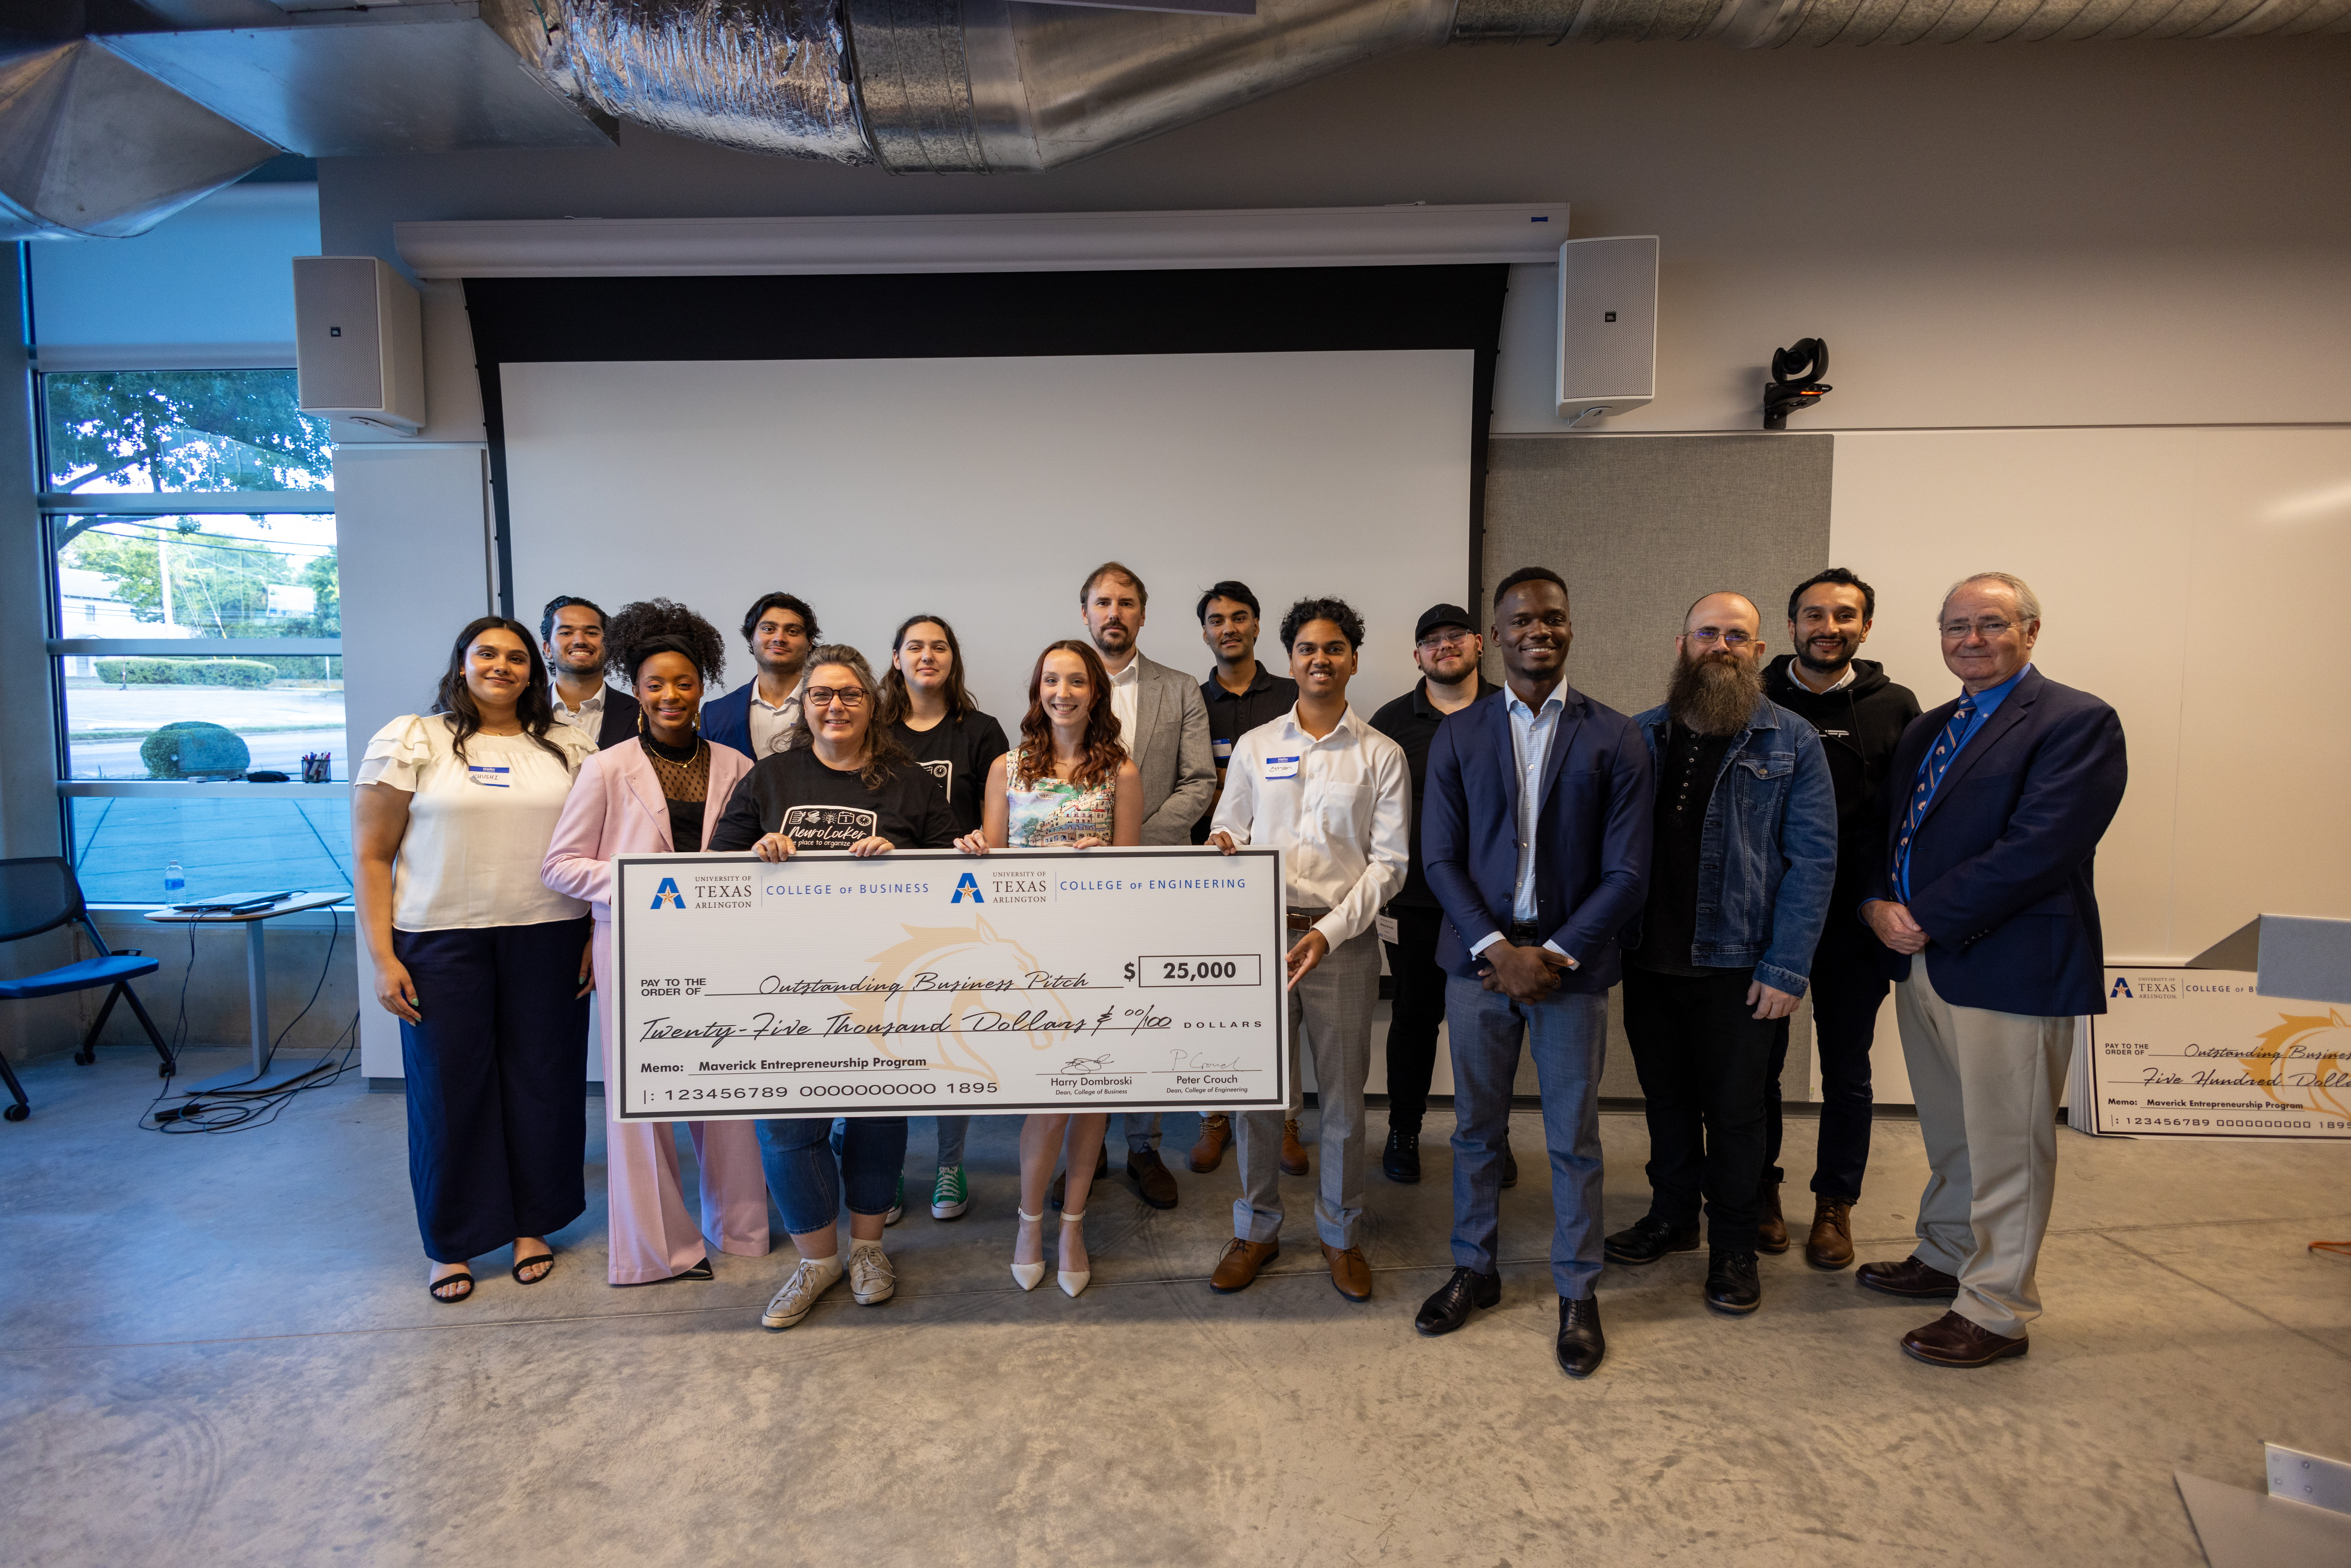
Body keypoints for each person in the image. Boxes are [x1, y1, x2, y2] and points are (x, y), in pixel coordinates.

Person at [1856, 573, 2125, 1368]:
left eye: (1991, 624)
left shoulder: (2076, 721)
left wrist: (1925, 913)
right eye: (1956, 626)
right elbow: (1889, 831)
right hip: (1924, 964)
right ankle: (1944, 1254)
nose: (1970, 639)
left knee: (2009, 1142)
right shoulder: (1929, 727)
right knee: (1953, 1133)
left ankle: (1997, 1310)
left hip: (2010, 963)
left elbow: (2042, 848)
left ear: (2031, 633)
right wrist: (1876, 903)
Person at [1417, 568, 1651, 1378]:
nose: (1537, 630)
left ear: (1570, 628)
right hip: (1478, 968)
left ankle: (1577, 1291)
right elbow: (1439, 860)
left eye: (1552, 617)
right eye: (1521, 620)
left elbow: (1627, 874)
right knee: (1476, 1131)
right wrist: (1497, 950)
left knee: (1573, 1141)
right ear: (1497, 633)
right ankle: (1474, 1269)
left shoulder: (1617, 737)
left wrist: (1550, 956)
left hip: (1569, 974)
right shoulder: (1458, 734)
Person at [708, 645, 961, 1331]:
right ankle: (817, 1260)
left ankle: (871, 1249)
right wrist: (758, 853)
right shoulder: (771, 778)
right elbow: (715, 871)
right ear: (805, 705)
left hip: (883, 987)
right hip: (785, 986)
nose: (835, 706)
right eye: (821, 695)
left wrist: (903, 859)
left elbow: (956, 884)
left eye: (849, 694)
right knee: (790, 1128)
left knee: (878, 1118)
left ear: (871, 704)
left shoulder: (910, 783)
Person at [352, 617, 597, 1305]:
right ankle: (452, 1241)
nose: (502, 665)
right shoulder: (414, 739)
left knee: (543, 1086)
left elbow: (594, 851)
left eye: (517, 657)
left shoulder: (568, 746)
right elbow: (373, 856)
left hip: (548, 934)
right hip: (438, 941)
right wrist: (382, 957)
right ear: (462, 664)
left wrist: (592, 936)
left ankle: (532, 1224)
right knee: (448, 1092)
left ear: (535, 669)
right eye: (487, 653)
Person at [1607, 592, 1837, 1321]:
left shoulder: (1791, 740)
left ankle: (1734, 1243)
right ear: (1683, 644)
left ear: (1758, 650)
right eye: (1708, 632)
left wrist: (1785, 964)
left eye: (1738, 635)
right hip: (1649, 960)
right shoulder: (1639, 735)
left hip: (1743, 967)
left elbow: (1814, 860)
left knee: (1737, 1114)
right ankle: (1674, 1217)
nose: (1721, 645)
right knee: (1666, 1101)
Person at [542, 599, 771, 1286]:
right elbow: (561, 864)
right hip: (636, 952)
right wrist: (639, 883)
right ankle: (656, 1247)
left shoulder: (735, 763)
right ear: (636, 691)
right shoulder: (607, 768)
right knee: (643, 1105)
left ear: (702, 687)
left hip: (720, 950)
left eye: (684, 683)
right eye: (655, 684)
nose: (671, 696)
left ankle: (740, 1227)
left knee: (730, 1091)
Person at [1202, 598, 1409, 1303]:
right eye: (1307, 649)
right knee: (1257, 1096)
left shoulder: (1382, 753)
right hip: (1259, 936)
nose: (1320, 658)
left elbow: (1390, 864)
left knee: (1344, 1101)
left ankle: (1340, 1232)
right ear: (1289, 660)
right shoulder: (1257, 745)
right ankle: (1256, 1227)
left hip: (1341, 942)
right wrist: (1223, 844)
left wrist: (1329, 930)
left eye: (1335, 648)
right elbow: (1227, 826)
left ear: (1352, 658)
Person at [953, 640, 1142, 1298]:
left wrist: (1106, 865)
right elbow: (994, 865)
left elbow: (1132, 875)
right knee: (1047, 1101)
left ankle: (1073, 1224)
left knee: (1091, 1099)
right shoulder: (1008, 768)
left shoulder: (1120, 770)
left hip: (1096, 952)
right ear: (1038, 691)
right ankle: (1029, 1223)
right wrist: (978, 848)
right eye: (1051, 680)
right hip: (1029, 958)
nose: (1063, 691)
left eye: (1076, 680)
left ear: (1096, 691)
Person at [1758, 568, 1921, 1268]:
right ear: (1791, 624)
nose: (1829, 627)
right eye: (1814, 615)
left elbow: (1911, 819)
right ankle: (1757, 1191)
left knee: (1847, 1070)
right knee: (1755, 1067)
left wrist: (1887, 898)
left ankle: (1835, 1204)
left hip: (1856, 922)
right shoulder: (1754, 695)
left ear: (1866, 627)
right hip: (1766, 919)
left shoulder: (1897, 707)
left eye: (1844, 616)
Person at [1070, 562, 1214, 1210]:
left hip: (1156, 880)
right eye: (1103, 602)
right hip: (1073, 889)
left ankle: (1143, 1145)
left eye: (1126, 602)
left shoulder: (1180, 688)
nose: (1114, 613)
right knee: (1079, 1016)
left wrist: (1134, 847)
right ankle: (1084, 1144)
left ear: (1143, 614)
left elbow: (1199, 781)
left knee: (1145, 1017)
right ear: (1085, 613)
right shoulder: (1062, 684)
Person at [878, 613, 1011, 1223]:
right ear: (897, 658)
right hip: (883, 897)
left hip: (957, 902)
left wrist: (983, 844)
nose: (927, 655)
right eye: (915, 646)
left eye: (939, 646)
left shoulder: (980, 731)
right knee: (888, 1039)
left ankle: (951, 1163)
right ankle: (884, 1172)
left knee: (950, 1036)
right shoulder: (872, 727)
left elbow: (998, 816)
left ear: (953, 658)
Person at [1367, 603, 1499, 1186]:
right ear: (1416, 655)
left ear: (1478, 643)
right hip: (1414, 901)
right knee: (1414, 1018)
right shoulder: (1392, 720)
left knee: (1492, 1022)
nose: (1444, 647)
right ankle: (1404, 1129)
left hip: (1494, 901)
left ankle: (1490, 1135)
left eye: (1455, 637)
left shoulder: (1508, 708)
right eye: (1431, 640)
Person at [1186, 580, 1300, 1177]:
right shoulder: (1189, 700)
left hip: (1285, 872)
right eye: (1215, 620)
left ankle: (1283, 1118)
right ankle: (1214, 1114)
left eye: (1238, 617)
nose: (1227, 627)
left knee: (1282, 1000)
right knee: (1214, 999)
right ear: (1204, 631)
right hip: (1212, 872)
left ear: (1257, 626)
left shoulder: (1292, 693)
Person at [701, 592, 820, 760]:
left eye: (792, 631)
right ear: (752, 638)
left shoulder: (830, 707)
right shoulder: (715, 714)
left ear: (810, 642)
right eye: (769, 629)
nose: (779, 638)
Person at [540, 595, 640, 749]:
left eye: (592, 633)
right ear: (548, 649)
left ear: (609, 645)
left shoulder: (641, 713)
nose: (580, 641)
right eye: (566, 633)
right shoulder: (522, 710)